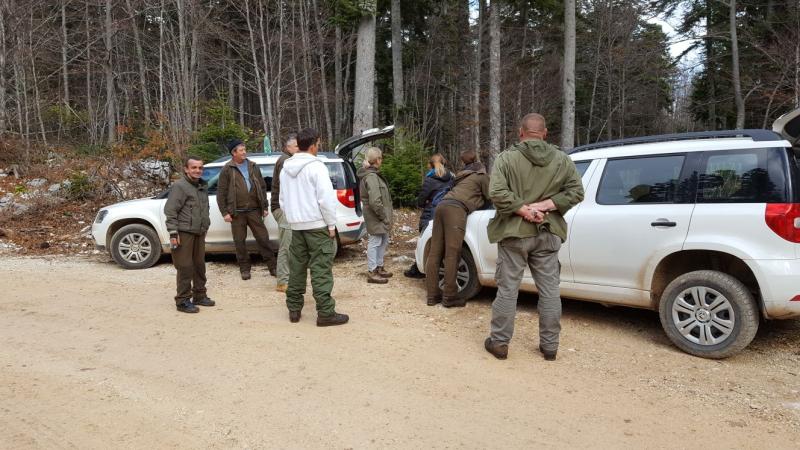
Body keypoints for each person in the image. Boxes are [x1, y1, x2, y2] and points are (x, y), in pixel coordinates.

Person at [483, 113, 584, 362]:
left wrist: (524, 210)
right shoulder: (562, 159)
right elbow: (576, 192)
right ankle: (550, 348)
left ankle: (499, 344)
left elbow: (496, 192)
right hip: (548, 232)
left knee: (508, 290)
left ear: (521, 132)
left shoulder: (507, 158)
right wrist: (545, 206)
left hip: (514, 234)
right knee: (549, 291)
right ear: (545, 133)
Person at [279, 128, 349, 326]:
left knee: (297, 268)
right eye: (318, 144)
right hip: (317, 225)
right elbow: (326, 199)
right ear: (312, 145)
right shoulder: (317, 167)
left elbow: (282, 200)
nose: (319, 147)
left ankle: (294, 309)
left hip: (296, 226)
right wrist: (331, 225)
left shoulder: (286, 167)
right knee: (321, 269)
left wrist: (293, 218)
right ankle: (326, 313)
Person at [424, 149, 490, 307]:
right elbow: (490, 197)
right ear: (477, 160)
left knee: (435, 252)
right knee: (452, 253)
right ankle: (450, 296)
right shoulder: (481, 176)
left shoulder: (460, 177)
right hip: (456, 210)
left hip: (441, 207)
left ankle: (432, 296)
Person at [217, 139, 277, 280]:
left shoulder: (253, 166)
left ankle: (273, 267)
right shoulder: (227, 169)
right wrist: (225, 212)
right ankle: (244, 269)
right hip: (237, 212)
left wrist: (264, 206)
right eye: (241, 150)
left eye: (245, 149)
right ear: (234, 153)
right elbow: (221, 192)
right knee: (239, 242)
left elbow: (261, 186)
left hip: (255, 210)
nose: (244, 152)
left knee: (263, 239)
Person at [164, 156, 214, 313]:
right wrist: (173, 232)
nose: (198, 170)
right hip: (183, 232)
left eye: (200, 168)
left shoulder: (202, 186)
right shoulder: (180, 186)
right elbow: (171, 210)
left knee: (199, 265)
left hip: (199, 232)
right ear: (186, 169)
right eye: (194, 168)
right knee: (185, 267)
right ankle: (183, 300)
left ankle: (199, 295)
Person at [404, 154, 453, 279]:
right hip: (448, 212)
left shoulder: (430, 179)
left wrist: (421, 203)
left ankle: (418, 270)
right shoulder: (452, 177)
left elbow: (421, 200)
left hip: (431, 213)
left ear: (431, 165)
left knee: (425, 241)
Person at [358, 147, 394, 284]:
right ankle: (372, 271)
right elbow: (375, 201)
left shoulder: (374, 174)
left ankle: (379, 267)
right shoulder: (371, 176)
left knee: (383, 240)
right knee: (375, 242)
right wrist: (383, 216)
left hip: (379, 215)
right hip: (376, 215)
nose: (382, 160)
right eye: (381, 158)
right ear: (377, 159)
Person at [271, 134, 299, 292]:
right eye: (295, 146)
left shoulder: (290, 160)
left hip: (288, 208)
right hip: (283, 208)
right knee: (286, 245)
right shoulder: (285, 161)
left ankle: (288, 277)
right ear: (288, 147)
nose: (298, 148)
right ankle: (282, 281)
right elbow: (288, 186)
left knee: (292, 244)